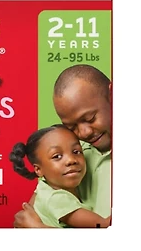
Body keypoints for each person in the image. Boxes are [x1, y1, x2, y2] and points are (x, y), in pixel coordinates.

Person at [14, 64, 112, 227]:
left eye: (90, 118)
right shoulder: (78, 150)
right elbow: (27, 216)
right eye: (71, 127)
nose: (84, 133)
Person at [10, 125, 110, 228]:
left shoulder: (44, 187)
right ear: (38, 170)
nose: (71, 160)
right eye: (57, 156)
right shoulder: (57, 199)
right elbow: (103, 225)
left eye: (76, 152)